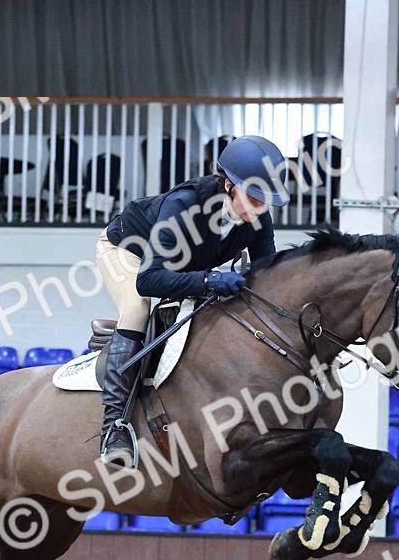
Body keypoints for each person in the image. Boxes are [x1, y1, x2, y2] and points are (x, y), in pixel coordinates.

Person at [95, 134, 289, 467]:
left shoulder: (258, 217)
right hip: (130, 253)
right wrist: (210, 280)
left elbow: (266, 276)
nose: (261, 208)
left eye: (266, 200)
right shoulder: (184, 205)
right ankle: (115, 427)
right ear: (228, 185)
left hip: (184, 265)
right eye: (254, 198)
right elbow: (149, 280)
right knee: (137, 309)